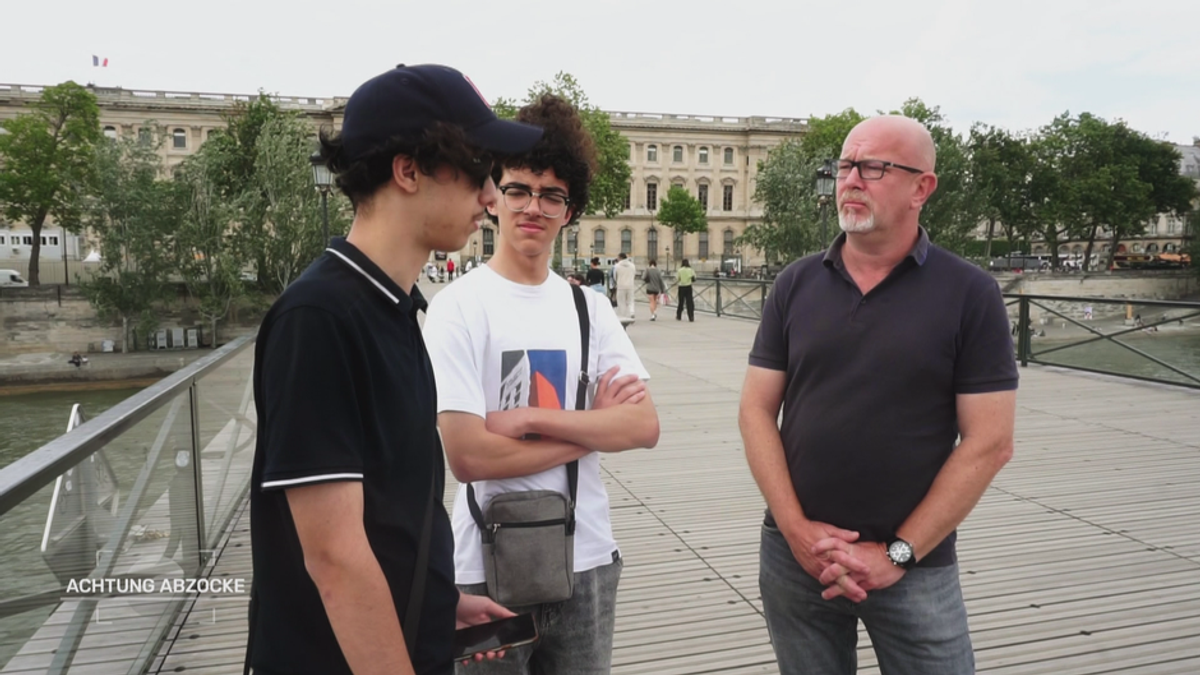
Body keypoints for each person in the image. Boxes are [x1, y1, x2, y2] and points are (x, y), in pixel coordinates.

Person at [247, 64, 542, 675]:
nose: (492, 200)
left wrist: (439, 603)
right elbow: (335, 557)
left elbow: (391, 512)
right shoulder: (320, 318)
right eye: (477, 173)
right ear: (407, 170)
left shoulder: (395, 306)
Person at [739, 115, 1018, 675]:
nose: (850, 180)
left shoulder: (970, 293)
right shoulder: (795, 283)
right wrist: (795, 532)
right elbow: (755, 411)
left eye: (873, 167)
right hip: (797, 558)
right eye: (844, 166)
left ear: (922, 187)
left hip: (915, 566)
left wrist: (897, 553)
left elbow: (990, 442)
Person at [423, 94, 660, 674]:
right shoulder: (458, 307)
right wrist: (591, 431)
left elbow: (643, 425)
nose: (534, 207)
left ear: (570, 209)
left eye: (552, 195)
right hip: (485, 564)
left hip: (587, 557)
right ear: (495, 195)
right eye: (519, 189)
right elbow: (468, 455)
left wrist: (530, 420)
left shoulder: (589, 308)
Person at [613, 252, 637, 319]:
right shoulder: (632, 265)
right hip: (630, 285)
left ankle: (623, 315)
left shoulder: (617, 266)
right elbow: (634, 274)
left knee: (621, 302)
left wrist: (617, 281)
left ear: (620, 258)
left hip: (621, 286)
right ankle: (632, 312)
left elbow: (615, 276)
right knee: (631, 300)